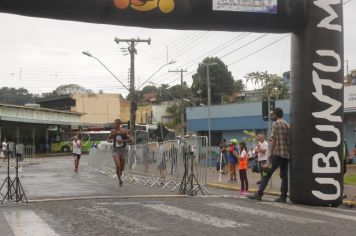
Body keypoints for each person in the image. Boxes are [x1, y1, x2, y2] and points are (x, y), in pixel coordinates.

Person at [248, 107, 290, 202]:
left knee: (267, 172)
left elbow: (274, 140)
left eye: (273, 114)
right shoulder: (287, 124)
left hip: (277, 153)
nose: (272, 115)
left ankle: (259, 194)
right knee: (284, 175)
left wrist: (270, 154)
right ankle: (283, 196)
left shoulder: (275, 124)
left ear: (275, 114)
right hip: (286, 155)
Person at [107, 119, 132, 187]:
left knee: (122, 167)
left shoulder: (124, 131)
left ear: (119, 124)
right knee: (118, 165)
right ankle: (120, 180)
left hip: (123, 150)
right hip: (115, 150)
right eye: (114, 124)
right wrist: (110, 140)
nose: (114, 125)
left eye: (115, 124)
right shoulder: (113, 131)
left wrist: (122, 141)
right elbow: (108, 139)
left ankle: (120, 172)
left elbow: (130, 140)